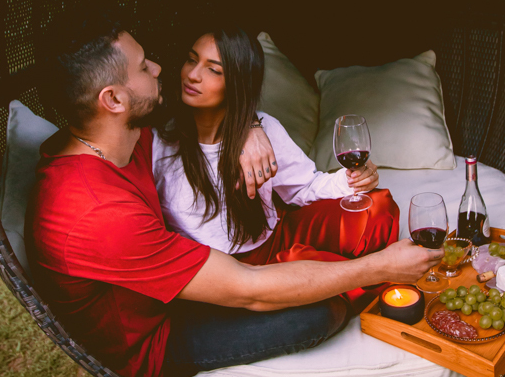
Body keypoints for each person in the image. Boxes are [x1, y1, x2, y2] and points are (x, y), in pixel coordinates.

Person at [27, 17, 437, 377]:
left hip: (191, 282)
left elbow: (214, 121)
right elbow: (248, 289)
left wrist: (248, 125)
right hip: (159, 337)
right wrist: (380, 268)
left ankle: (331, 268)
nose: (160, 67)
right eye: (143, 67)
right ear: (114, 100)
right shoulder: (98, 210)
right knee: (317, 313)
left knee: (363, 218)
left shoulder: (115, 139)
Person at [152, 27, 399, 315]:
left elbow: (304, 187)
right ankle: (377, 276)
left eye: (213, 70)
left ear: (238, 82)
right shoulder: (159, 142)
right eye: (191, 60)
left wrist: (352, 180)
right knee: (321, 274)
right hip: (233, 274)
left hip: (277, 235)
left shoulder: (262, 127)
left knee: (377, 207)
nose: (193, 75)